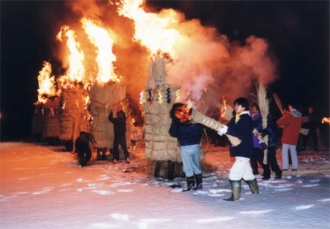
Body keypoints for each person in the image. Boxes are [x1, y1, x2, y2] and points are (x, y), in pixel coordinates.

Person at [217, 97, 259, 201]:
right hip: (240, 150)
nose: (235, 107)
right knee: (247, 174)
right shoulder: (236, 117)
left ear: (243, 107)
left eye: (238, 105)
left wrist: (227, 130)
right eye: (235, 105)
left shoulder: (246, 119)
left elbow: (240, 134)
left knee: (234, 173)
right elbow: (232, 129)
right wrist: (224, 129)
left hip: (244, 149)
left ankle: (235, 197)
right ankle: (256, 192)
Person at [169, 103, 204, 192]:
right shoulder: (196, 122)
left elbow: (172, 133)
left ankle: (191, 185)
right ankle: (199, 184)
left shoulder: (180, 124)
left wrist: (176, 122)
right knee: (196, 165)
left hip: (185, 147)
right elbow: (200, 131)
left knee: (188, 167)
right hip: (196, 146)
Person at [277, 102, 303, 171]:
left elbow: (279, 122)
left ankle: (285, 167)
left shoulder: (289, 115)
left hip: (287, 136)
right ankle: (295, 166)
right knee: (293, 152)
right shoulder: (300, 116)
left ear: (290, 106)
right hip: (295, 136)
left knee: (285, 152)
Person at [250, 103, 270, 177]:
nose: (252, 109)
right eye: (251, 108)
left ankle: (266, 170)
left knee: (259, 156)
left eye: (253, 108)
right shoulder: (250, 116)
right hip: (251, 140)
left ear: (257, 109)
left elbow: (258, 127)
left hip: (256, 139)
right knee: (252, 156)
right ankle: (254, 170)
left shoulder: (259, 117)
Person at [260, 113, 282, 179]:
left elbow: (272, 130)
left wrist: (263, 132)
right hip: (264, 142)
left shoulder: (270, 118)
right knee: (264, 158)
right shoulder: (263, 118)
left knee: (271, 158)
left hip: (270, 142)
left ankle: (277, 171)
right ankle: (267, 173)